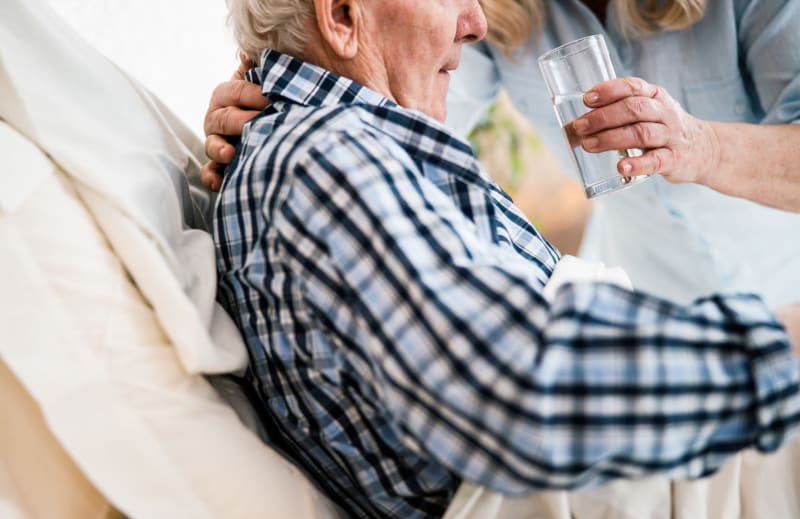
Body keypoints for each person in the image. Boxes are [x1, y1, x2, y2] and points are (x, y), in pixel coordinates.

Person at [215, 0, 800, 519]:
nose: (477, 24)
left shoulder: (331, 147)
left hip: (713, 344)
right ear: (342, 16)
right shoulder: (328, 155)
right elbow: (517, 384)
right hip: (652, 457)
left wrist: (699, 145)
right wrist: (779, 347)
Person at [203, 0, 800, 308]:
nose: (474, 23)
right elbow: (394, 106)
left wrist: (701, 146)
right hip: (645, 299)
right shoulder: (491, 15)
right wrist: (280, 90)